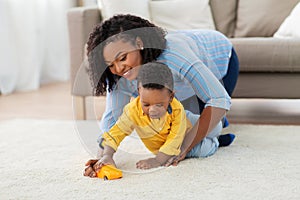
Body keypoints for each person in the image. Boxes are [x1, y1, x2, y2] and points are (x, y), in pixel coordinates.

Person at [83, 14, 239, 177]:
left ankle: (219, 127)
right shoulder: (119, 76)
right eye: (111, 65)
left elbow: (219, 99)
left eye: (122, 58)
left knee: (201, 125)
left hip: (221, 60)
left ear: (139, 43)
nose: (119, 68)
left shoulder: (173, 54)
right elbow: (111, 122)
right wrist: (103, 157)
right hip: (176, 88)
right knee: (170, 124)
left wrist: (182, 148)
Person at [86, 62, 223, 174]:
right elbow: (116, 132)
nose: (152, 110)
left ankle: (215, 133)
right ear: (139, 93)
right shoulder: (132, 110)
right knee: (202, 150)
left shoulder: (176, 109)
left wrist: (157, 161)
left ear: (171, 97)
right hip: (165, 143)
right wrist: (107, 155)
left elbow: (176, 136)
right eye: (146, 104)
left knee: (215, 126)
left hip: (183, 124)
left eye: (159, 104)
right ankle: (216, 143)